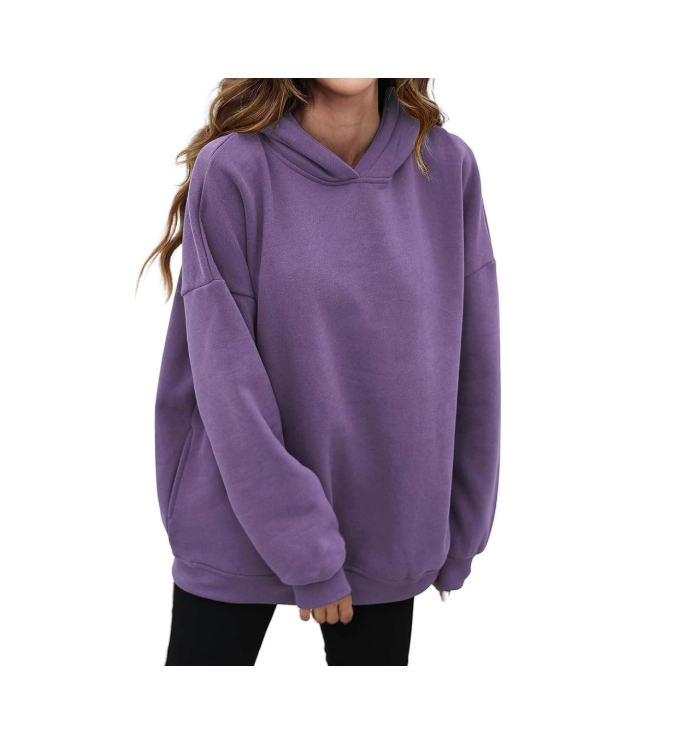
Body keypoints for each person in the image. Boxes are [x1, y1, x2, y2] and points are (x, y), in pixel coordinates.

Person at [142, 78, 501, 666]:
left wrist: (461, 528)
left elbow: (475, 362)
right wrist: (305, 548)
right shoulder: (234, 170)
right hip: (233, 529)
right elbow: (226, 384)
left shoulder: (446, 168)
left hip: (386, 533)